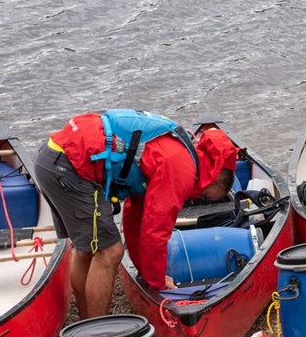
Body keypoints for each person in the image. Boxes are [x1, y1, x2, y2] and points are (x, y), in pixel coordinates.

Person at [31, 109, 237, 318]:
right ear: (213, 178)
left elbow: (135, 217)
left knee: (86, 249)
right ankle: (96, 333)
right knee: (110, 252)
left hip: (52, 158)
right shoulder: (181, 168)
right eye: (207, 196)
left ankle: (85, 320)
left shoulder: (176, 150)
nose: (201, 198)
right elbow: (156, 231)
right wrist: (157, 283)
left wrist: (145, 271)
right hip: (70, 168)